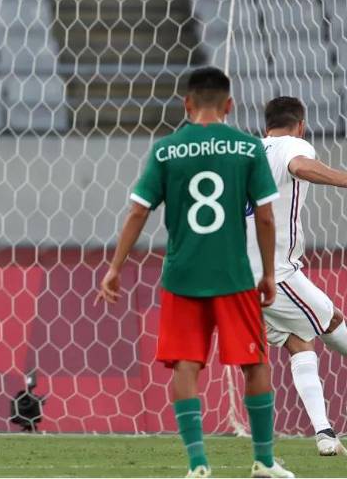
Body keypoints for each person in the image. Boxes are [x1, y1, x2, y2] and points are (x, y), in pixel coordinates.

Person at [97, 67, 293, 478]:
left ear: (186, 104)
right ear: (230, 105)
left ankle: (198, 464)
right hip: (234, 276)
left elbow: (137, 210)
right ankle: (263, 460)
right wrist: (270, 273)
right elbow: (267, 217)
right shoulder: (246, 148)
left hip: (182, 277)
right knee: (255, 363)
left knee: (186, 364)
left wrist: (115, 267)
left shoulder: (167, 149)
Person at [247, 96, 347, 456]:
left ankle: (324, 433)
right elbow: (302, 166)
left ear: (265, 124)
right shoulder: (293, 144)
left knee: (297, 340)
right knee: (332, 319)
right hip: (277, 271)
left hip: (241, 274)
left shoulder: (250, 150)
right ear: (301, 124)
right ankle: (323, 432)